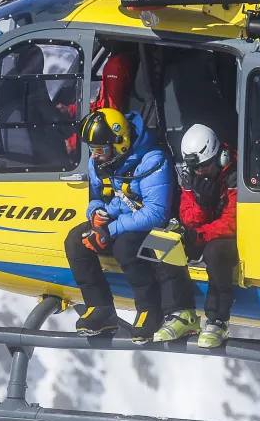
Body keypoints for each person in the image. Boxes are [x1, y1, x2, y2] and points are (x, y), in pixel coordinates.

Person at [64, 107, 191, 342]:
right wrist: (96, 214)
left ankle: (149, 310)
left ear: (120, 144)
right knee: (75, 240)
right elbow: (96, 197)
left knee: (126, 247)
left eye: (99, 150)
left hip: (149, 226)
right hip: (118, 218)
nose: (94, 156)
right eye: (91, 149)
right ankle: (100, 308)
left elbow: (156, 213)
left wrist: (110, 229)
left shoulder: (153, 160)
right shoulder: (99, 161)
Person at [153, 124, 238, 349]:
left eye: (204, 166)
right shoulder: (191, 176)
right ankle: (181, 313)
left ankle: (218, 320)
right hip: (204, 231)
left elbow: (232, 222)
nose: (200, 172)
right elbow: (187, 216)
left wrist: (199, 234)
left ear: (219, 157)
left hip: (229, 237)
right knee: (163, 241)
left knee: (214, 251)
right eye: (195, 168)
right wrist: (202, 204)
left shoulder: (235, 174)